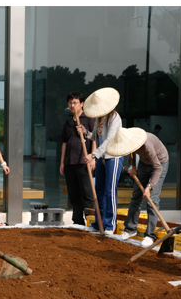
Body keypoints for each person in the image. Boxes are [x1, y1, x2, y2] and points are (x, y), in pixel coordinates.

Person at [107, 128, 169, 248]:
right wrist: (133, 167)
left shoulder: (147, 146)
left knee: (152, 201)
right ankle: (130, 229)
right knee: (136, 196)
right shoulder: (131, 142)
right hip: (144, 163)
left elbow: (158, 168)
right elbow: (132, 152)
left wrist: (149, 187)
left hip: (160, 163)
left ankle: (150, 235)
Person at [76, 88, 123, 235]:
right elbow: (97, 137)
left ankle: (110, 225)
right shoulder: (99, 119)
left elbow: (109, 140)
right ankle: (98, 223)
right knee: (99, 190)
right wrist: (86, 133)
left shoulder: (115, 117)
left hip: (113, 157)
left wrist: (93, 155)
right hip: (102, 157)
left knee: (110, 191)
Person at [60, 91, 96, 225]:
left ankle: (91, 222)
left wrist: (93, 157)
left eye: (74, 102)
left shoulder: (89, 119)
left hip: (84, 161)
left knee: (87, 193)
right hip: (70, 161)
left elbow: (95, 138)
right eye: (70, 103)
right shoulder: (68, 122)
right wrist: (62, 162)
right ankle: (78, 222)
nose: (72, 105)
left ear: (82, 104)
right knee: (74, 194)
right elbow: (64, 143)